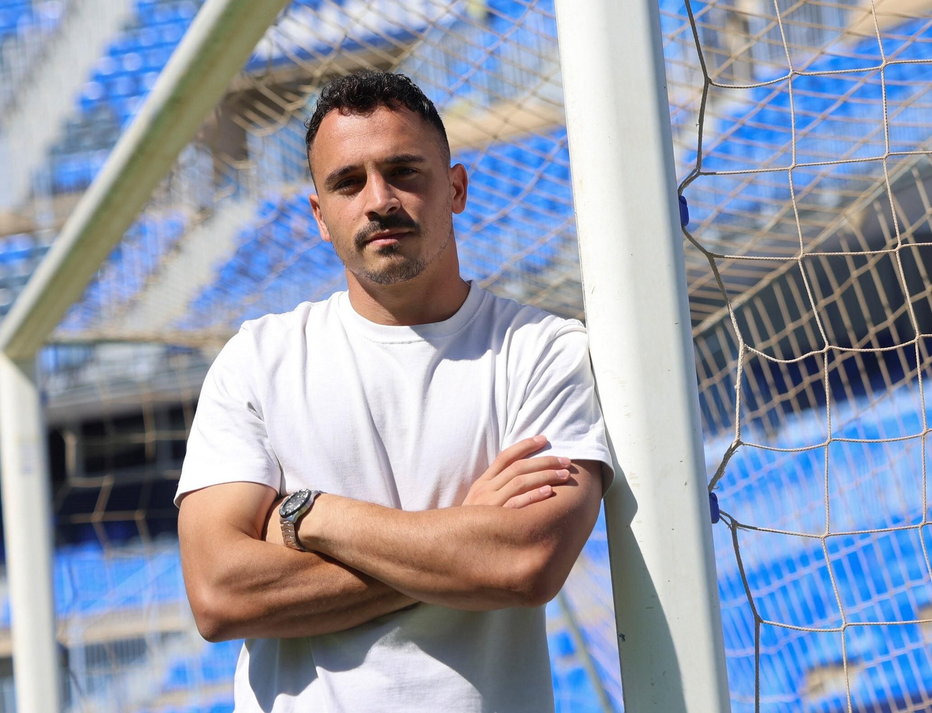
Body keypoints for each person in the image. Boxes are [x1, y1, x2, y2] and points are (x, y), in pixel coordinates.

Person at [176, 70, 612, 713]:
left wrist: (309, 515)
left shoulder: (543, 350)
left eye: (405, 171)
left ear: (456, 188)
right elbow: (218, 595)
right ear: (320, 216)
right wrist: (463, 542)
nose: (379, 199)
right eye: (348, 182)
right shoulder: (257, 360)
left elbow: (526, 566)